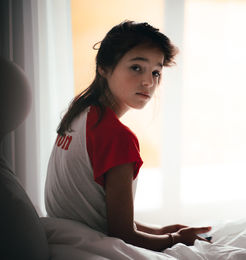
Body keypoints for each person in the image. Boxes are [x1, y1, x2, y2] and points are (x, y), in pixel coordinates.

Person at [44, 20, 211, 252]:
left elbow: (100, 216)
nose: (149, 81)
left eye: (156, 72)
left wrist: (162, 232)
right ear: (103, 66)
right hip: (94, 247)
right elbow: (122, 234)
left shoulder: (79, 114)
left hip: (66, 238)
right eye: (136, 67)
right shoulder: (116, 136)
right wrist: (177, 240)